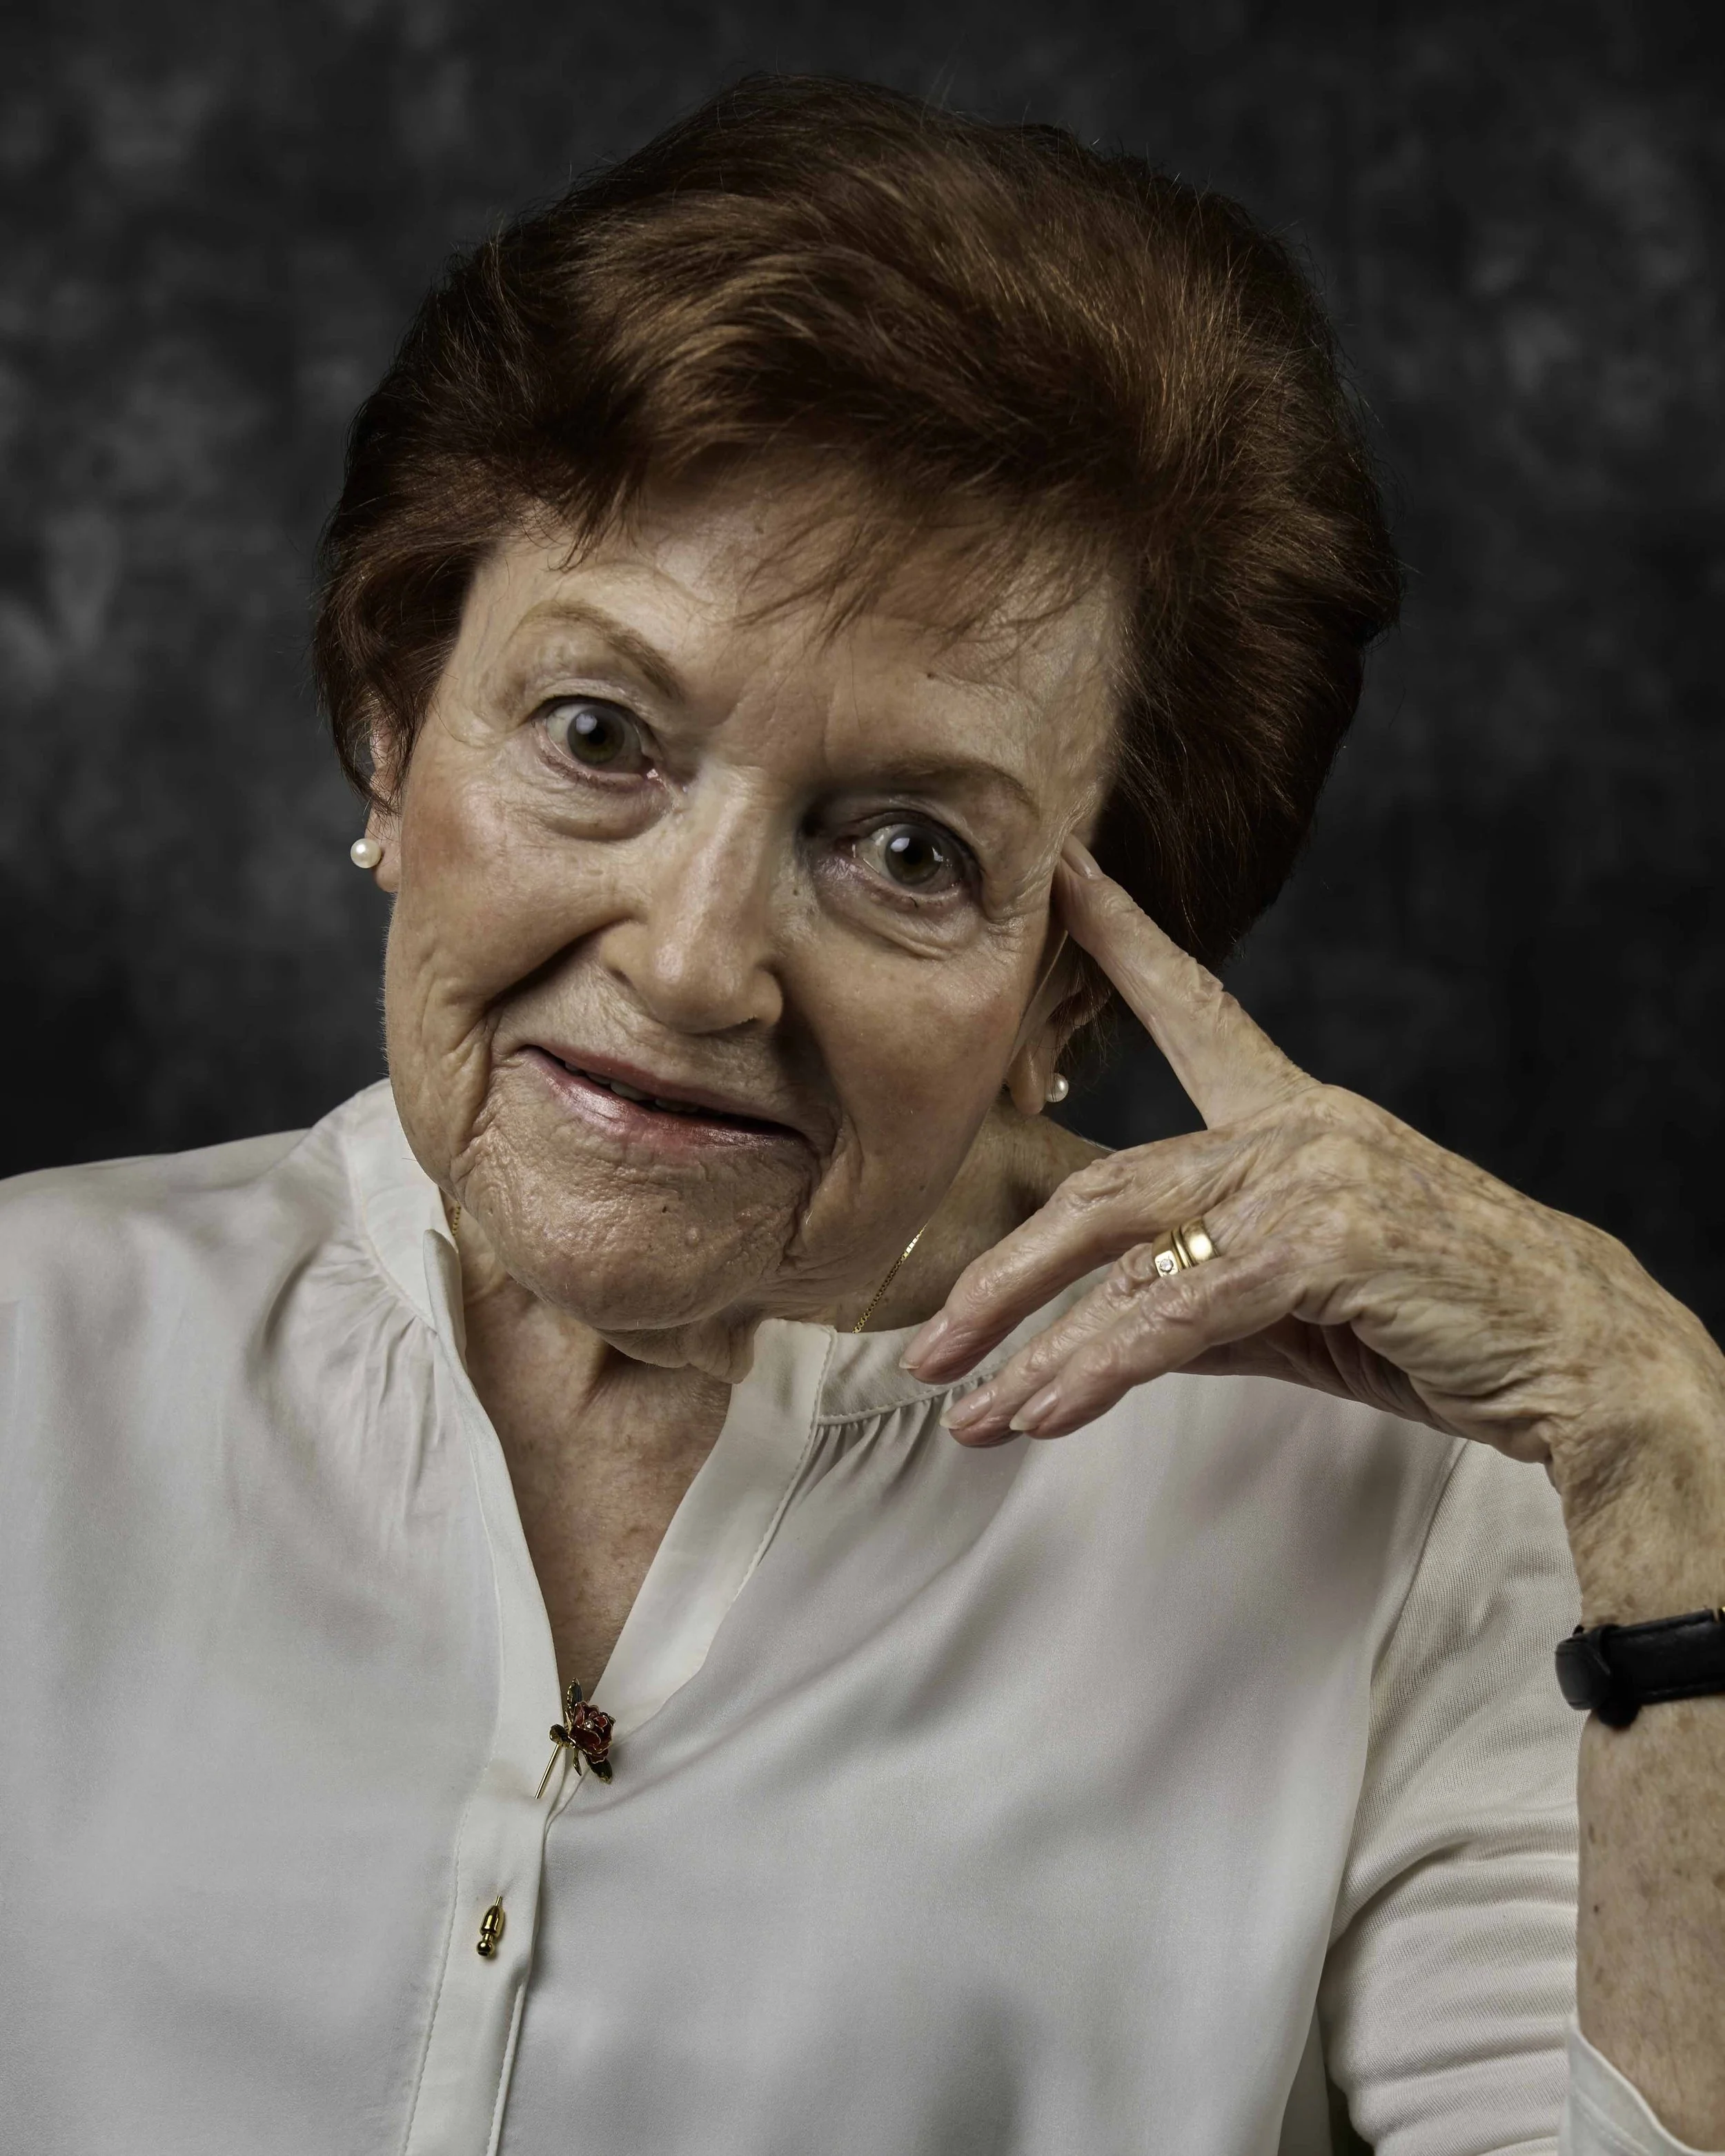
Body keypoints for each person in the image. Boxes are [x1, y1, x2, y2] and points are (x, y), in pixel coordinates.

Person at [1, 73, 1720, 2156]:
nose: (696, 960)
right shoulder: (31, 1350)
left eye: (907, 849)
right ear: (393, 725)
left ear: (1067, 978)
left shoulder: (1394, 1514)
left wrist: (1653, 1426)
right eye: (596, 733)